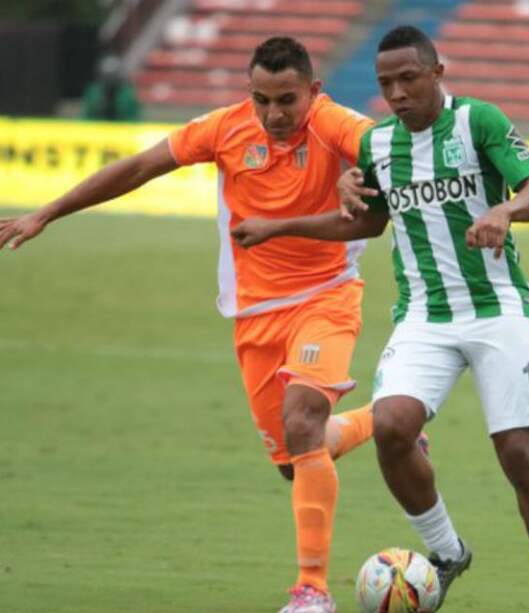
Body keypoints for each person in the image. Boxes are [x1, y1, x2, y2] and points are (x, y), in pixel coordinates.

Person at [1, 37, 382, 613]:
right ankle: (388, 418)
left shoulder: (336, 124)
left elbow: (385, 147)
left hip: (325, 298)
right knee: (294, 459)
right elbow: (138, 167)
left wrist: (365, 173)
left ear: (314, 91)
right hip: (253, 312)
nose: (275, 114)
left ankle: (312, 591)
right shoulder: (225, 129)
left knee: (303, 420)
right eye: (262, 100)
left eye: (287, 100)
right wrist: (46, 213)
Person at [231, 25, 529, 613]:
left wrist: (505, 208)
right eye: (385, 84)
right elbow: (366, 223)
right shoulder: (376, 146)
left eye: (407, 79)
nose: (396, 93)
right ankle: (447, 553)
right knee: (393, 428)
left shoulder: (479, 123)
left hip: (497, 310)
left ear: (437, 73)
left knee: (520, 457)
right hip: (423, 314)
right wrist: (281, 225)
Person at [81, 54, 142, 122]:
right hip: (96, 127)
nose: (110, 81)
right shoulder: (93, 91)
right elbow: (88, 116)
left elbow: (132, 118)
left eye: (113, 77)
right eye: (107, 77)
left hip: (122, 127)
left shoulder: (128, 93)